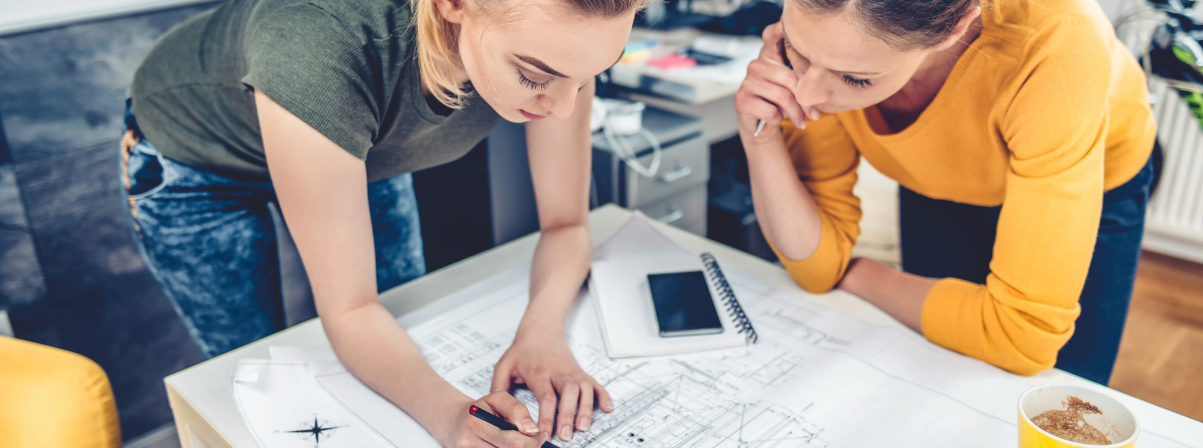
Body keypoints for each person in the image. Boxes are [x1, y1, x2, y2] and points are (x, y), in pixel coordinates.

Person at [120, 0, 641, 444]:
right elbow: (351, 309)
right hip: (200, 160)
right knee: (247, 372)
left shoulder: (564, 46)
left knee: (407, 327)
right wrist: (452, 417)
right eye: (533, 76)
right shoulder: (320, 46)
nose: (564, 109)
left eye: (591, 76)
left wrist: (543, 336)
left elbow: (567, 226)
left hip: (359, 142)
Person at [734, 0, 1155, 385]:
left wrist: (861, 275)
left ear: (956, 26)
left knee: (1060, 389)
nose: (805, 95)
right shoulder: (831, 53)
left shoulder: (1058, 43)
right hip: (935, 174)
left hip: (1096, 173)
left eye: (855, 80)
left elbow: (1023, 337)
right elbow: (816, 267)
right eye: (795, 49)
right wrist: (761, 139)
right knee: (934, 368)